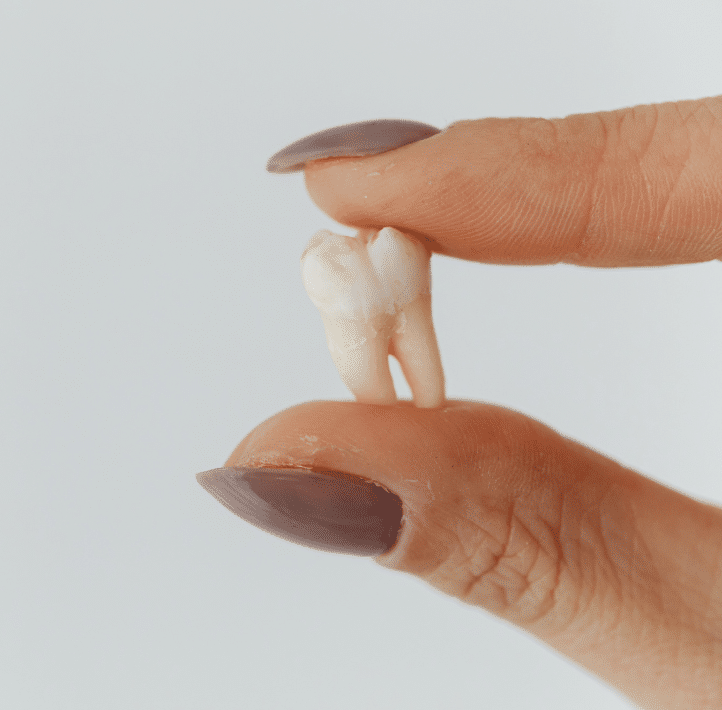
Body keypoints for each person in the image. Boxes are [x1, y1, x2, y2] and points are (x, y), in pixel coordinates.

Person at [198, 96, 722, 709]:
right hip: (370, 298)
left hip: (388, 294)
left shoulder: (385, 262)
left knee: (411, 367)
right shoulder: (341, 267)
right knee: (393, 369)